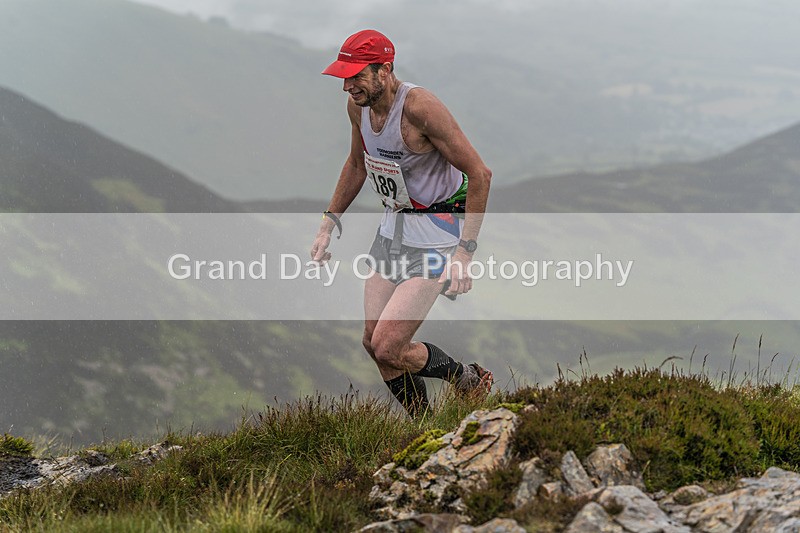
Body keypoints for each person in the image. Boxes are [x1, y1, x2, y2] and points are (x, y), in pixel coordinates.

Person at [310, 29, 493, 417]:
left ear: (385, 70)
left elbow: (480, 174)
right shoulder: (357, 108)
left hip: (438, 235)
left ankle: (466, 380)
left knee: (390, 345)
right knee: (372, 342)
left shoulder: (421, 108)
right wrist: (329, 223)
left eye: (357, 75)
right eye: (344, 76)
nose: (347, 86)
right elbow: (357, 164)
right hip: (393, 229)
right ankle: (425, 429)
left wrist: (465, 253)